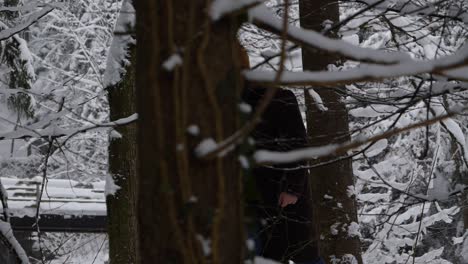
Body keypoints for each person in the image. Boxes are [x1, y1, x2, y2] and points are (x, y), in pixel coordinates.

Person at [240, 47, 324, 264]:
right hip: (243, 201)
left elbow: (297, 143)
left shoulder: (277, 98)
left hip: (280, 196)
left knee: (304, 254)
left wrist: (292, 189)